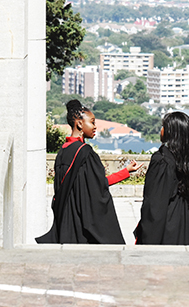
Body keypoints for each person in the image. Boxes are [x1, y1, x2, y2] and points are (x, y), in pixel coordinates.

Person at [36, 99, 142, 244]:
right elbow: (97, 188)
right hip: (80, 224)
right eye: (92, 122)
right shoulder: (85, 153)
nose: (95, 127)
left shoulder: (63, 150)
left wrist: (125, 172)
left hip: (65, 221)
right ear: (79, 123)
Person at [134, 111, 189, 245]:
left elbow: (153, 206)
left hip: (169, 236)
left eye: (163, 127)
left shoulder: (162, 161)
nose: (161, 130)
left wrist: (146, 240)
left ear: (170, 132)